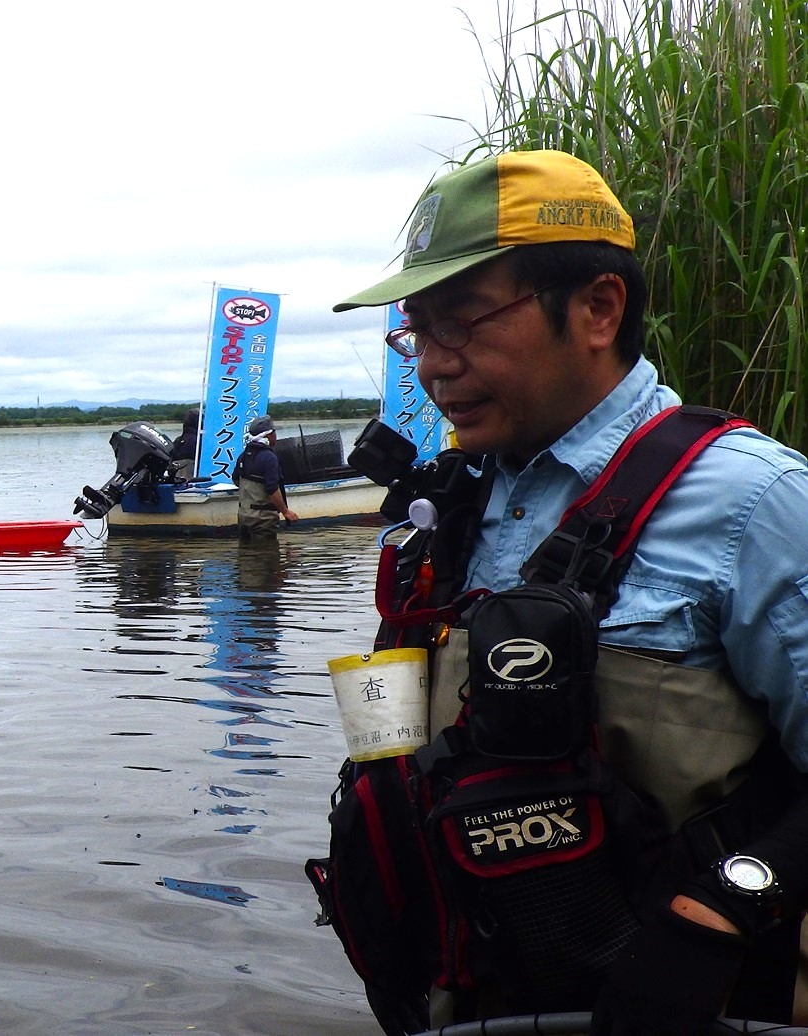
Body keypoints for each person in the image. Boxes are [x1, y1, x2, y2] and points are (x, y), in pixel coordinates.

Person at [327, 149, 808, 1033]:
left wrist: (727, 908)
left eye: (463, 323)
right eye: (415, 331)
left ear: (596, 308)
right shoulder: (453, 502)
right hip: (461, 1000)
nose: (432, 365)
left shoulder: (756, 501)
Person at [233, 414, 297, 538]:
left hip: (244, 516)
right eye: (274, 432)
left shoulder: (244, 455)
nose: (275, 436)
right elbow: (272, 489)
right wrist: (285, 511)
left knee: (246, 553)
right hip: (263, 519)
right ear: (268, 435)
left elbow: (236, 479)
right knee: (268, 554)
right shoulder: (269, 458)